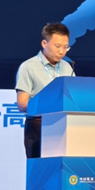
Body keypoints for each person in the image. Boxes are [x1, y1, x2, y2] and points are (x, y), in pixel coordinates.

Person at [16, 22, 76, 158]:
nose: (62, 51)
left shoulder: (67, 67)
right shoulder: (28, 67)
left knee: (62, 168)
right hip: (38, 126)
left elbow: (74, 98)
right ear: (44, 43)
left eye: (66, 47)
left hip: (64, 126)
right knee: (40, 168)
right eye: (58, 46)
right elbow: (22, 104)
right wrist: (51, 106)